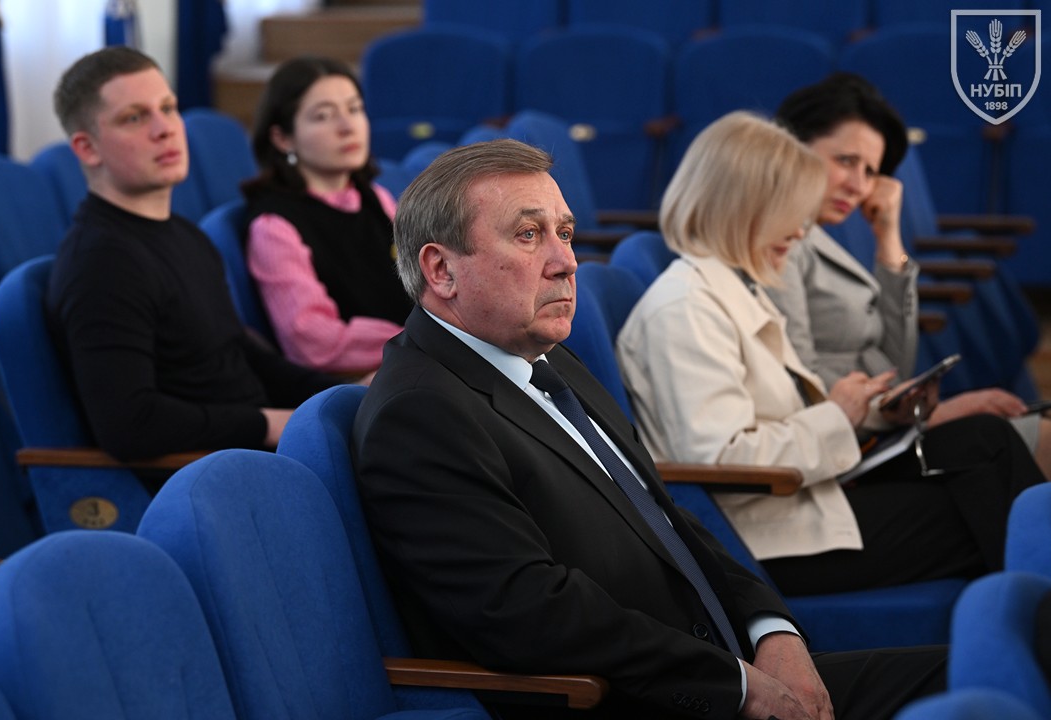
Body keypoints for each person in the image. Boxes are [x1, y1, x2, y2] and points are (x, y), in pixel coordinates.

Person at [355, 137, 949, 720]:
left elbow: (665, 517)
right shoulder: (421, 414)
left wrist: (772, 631)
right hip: (646, 697)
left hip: (717, 661)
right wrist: (738, 686)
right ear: (441, 270)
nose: (566, 262)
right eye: (529, 234)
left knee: (976, 666)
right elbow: (531, 615)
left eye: (565, 233)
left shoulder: (547, 359)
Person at [616, 111, 1044, 601]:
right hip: (764, 537)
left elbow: (780, 414)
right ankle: (1030, 626)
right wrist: (840, 416)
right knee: (996, 513)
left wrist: (870, 413)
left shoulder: (732, 288)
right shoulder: (684, 310)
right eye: (789, 214)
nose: (800, 233)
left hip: (799, 496)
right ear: (743, 208)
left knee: (986, 440)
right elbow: (723, 459)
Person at [47, 46, 335, 466]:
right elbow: (130, 423)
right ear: (87, 148)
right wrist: (268, 424)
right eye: (134, 118)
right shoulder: (101, 264)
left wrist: (338, 396)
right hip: (211, 474)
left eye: (168, 108)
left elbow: (240, 354)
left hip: (259, 453)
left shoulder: (185, 235)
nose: (164, 129)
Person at [765, 72, 1051, 478]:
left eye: (870, 171)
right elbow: (799, 383)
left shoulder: (815, 236)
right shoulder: (782, 242)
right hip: (849, 448)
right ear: (792, 147)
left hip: (883, 427)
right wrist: (932, 416)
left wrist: (888, 236)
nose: (859, 186)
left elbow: (896, 361)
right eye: (846, 161)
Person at [242, 56, 411, 379]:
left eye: (355, 109)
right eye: (323, 116)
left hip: (414, 358)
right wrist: (420, 340)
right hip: (367, 379)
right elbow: (312, 341)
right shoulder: (274, 226)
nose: (347, 126)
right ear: (282, 138)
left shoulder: (374, 196)